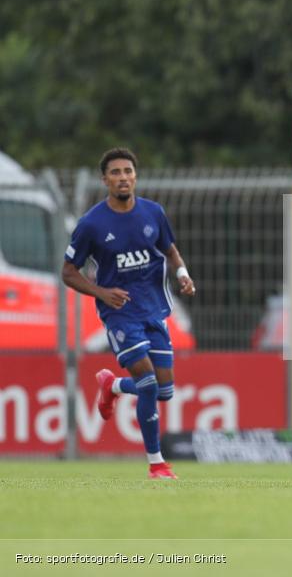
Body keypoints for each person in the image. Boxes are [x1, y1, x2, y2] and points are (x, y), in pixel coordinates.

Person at [62, 148, 196, 479]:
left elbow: (171, 252)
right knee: (148, 383)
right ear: (104, 179)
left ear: (135, 176)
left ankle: (113, 386)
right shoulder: (92, 224)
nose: (123, 177)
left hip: (154, 310)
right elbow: (68, 271)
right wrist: (101, 293)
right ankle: (157, 464)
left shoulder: (153, 213)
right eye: (116, 172)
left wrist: (182, 275)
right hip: (120, 314)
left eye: (128, 171)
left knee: (164, 390)